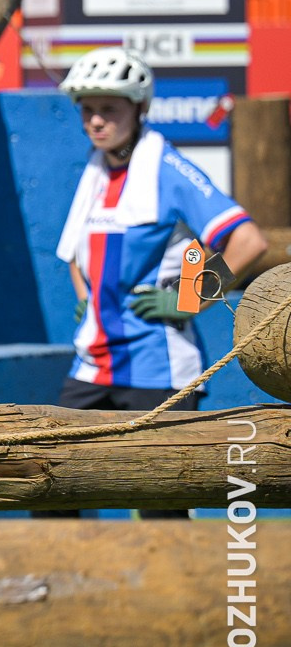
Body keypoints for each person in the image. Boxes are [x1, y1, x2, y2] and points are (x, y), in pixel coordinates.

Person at [45, 48, 268, 519]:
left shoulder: (165, 167)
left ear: (139, 108)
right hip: (93, 365)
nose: (96, 121)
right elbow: (73, 254)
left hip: (160, 370)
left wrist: (188, 301)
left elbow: (248, 241)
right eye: (88, 109)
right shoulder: (94, 167)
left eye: (110, 109)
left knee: (161, 509)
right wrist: (88, 297)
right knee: (50, 489)